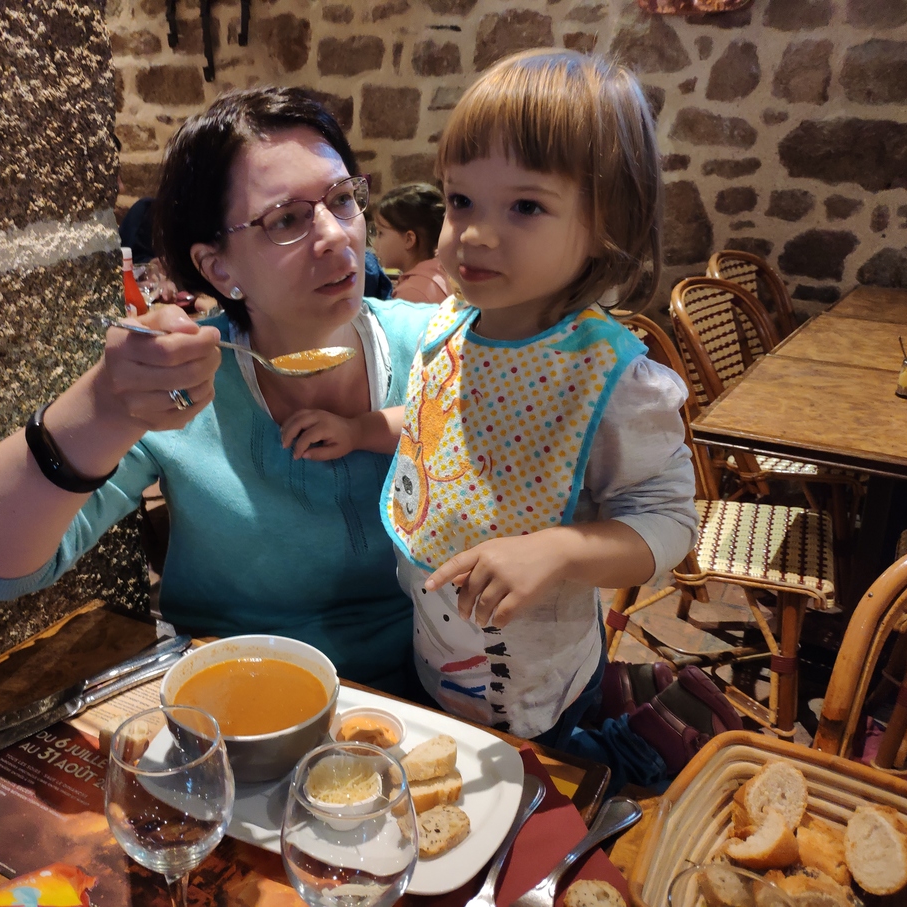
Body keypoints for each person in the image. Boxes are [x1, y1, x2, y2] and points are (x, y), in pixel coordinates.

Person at [280, 49, 742, 792]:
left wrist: (557, 550)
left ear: (607, 225)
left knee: (536, 785)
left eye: (525, 206)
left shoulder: (613, 379)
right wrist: (365, 429)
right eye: (462, 201)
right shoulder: (451, 326)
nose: (476, 234)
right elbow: (437, 421)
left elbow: (669, 522)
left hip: (535, 681)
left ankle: (618, 750)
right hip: (432, 646)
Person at [0, 87, 437, 696]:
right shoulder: (184, 378)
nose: (334, 234)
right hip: (238, 703)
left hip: (436, 697)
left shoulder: (442, 347)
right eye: (286, 219)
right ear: (220, 269)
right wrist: (104, 405)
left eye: (341, 200)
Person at [370, 183, 450, 304]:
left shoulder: (410, 293)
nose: (375, 245)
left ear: (409, 239)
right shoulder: (443, 272)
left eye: (380, 233)